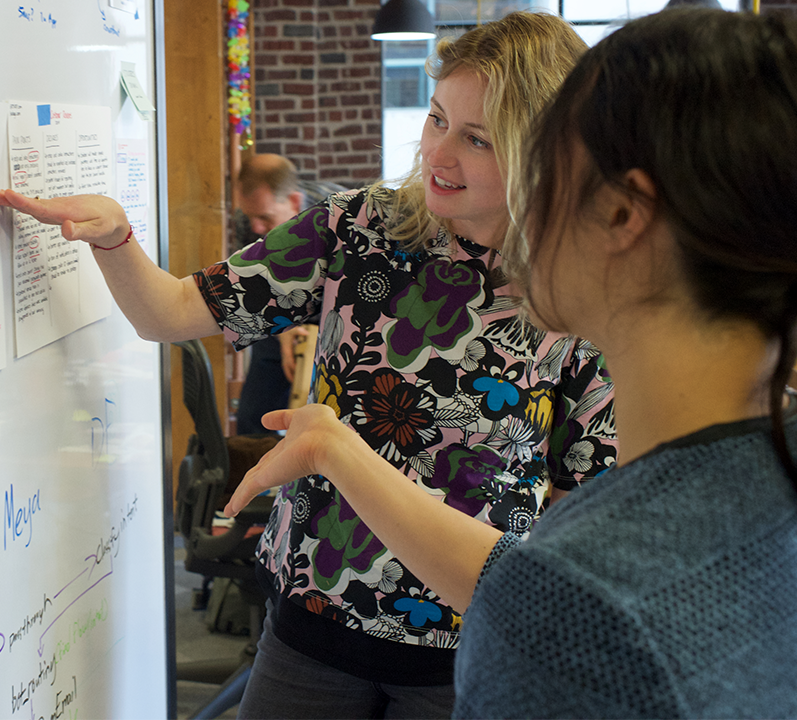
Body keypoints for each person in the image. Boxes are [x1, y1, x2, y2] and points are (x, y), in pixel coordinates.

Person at [0, 12, 613, 717]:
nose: (439, 153)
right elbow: (164, 314)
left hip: (472, 652)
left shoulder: (584, 287)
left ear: (542, 154)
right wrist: (114, 235)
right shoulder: (362, 229)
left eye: (477, 139)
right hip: (313, 625)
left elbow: (598, 505)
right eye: (437, 119)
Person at [225, 7, 797, 717]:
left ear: (622, 214)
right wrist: (337, 450)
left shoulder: (571, 624)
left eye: (545, 167)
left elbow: (560, 601)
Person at [232, 154, 335, 435]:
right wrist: (284, 330)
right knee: (253, 421)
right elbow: (255, 285)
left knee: (325, 425)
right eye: (250, 216)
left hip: (335, 320)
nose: (255, 228)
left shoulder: (339, 218)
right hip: (278, 312)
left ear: (293, 201)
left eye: (264, 217)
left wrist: (319, 338)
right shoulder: (249, 221)